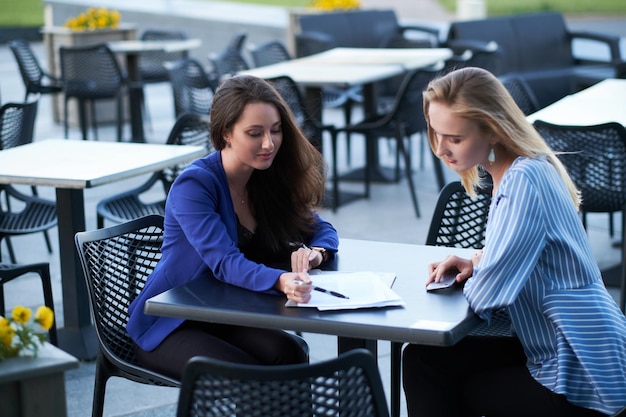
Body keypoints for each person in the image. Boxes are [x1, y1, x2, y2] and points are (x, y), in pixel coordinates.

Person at [402, 67, 626, 417]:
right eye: (435, 132)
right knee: (425, 357)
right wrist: (477, 262)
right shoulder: (524, 169)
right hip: (567, 347)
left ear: (493, 130)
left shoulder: (523, 182)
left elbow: (488, 295)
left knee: (448, 379)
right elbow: (518, 258)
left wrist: (483, 272)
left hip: (580, 372)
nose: (441, 149)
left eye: (454, 138)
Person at [127, 75, 339, 379]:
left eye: (276, 131)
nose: (269, 143)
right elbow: (224, 262)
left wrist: (317, 253)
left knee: (290, 352)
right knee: (248, 373)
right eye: (255, 133)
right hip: (170, 321)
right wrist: (282, 279)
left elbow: (320, 227)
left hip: (224, 314)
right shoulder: (195, 185)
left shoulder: (263, 177)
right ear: (226, 132)